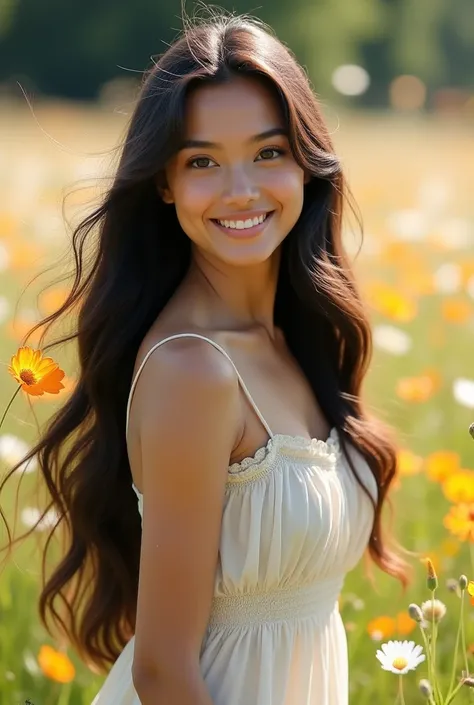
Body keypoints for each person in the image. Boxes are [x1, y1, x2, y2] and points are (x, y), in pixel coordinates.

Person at [1, 11, 409, 705]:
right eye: (202, 162)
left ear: (306, 161)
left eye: (268, 152)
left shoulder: (294, 341)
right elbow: (161, 669)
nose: (240, 189)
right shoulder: (194, 371)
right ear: (164, 183)